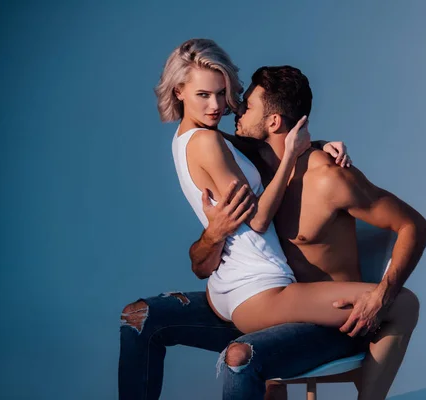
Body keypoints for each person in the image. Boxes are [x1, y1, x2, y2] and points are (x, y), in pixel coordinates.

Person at [119, 38, 354, 400]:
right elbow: (258, 220)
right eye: (203, 95)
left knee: (141, 318)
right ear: (179, 90)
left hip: (226, 287)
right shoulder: (207, 143)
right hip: (262, 284)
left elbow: (261, 146)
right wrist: (293, 154)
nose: (216, 106)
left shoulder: (190, 139)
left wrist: (317, 145)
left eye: (221, 92)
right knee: (377, 305)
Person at [191, 65, 426, 399]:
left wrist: (382, 296)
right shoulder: (253, 168)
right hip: (280, 312)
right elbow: (202, 135)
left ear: (274, 122)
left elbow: (413, 225)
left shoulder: (328, 178)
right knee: (156, 321)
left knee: (404, 304)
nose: (235, 111)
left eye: (247, 107)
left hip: (339, 324)